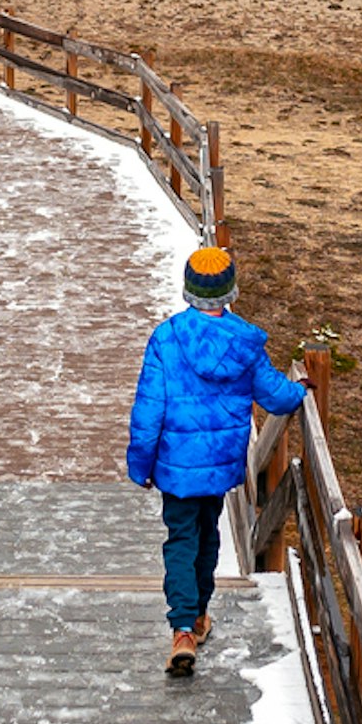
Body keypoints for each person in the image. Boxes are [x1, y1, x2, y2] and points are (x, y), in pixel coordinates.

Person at [125, 245, 308, 677]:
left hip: (175, 464)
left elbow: (148, 411)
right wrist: (302, 391)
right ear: (231, 292)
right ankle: (201, 613)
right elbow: (275, 396)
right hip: (220, 463)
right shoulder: (245, 343)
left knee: (180, 540)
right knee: (208, 537)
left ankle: (183, 628)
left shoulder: (166, 340)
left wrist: (141, 464)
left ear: (188, 290)